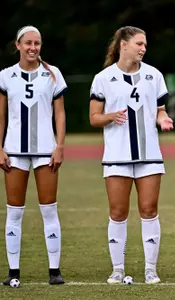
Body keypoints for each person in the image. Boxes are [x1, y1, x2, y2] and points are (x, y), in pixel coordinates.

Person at [89, 26, 174, 285]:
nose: (143, 48)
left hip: (149, 154)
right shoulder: (103, 78)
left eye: (145, 44)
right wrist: (110, 117)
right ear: (123, 45)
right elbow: (94, 118)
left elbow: (159, 109)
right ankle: (117, 269)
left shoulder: (154, 75)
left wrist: (164, 118)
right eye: (139, 43)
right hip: (117, 155)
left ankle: (150, 269)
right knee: (118, 212)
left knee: (149, 210)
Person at [0, 26, 67, 285]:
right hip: (15, 151)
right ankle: (13, 272)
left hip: (45, 151)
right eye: (28, 43)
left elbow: (60, 113)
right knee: (14, 212)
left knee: (49, 210)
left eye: (37, 43)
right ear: (17, 45)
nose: (33, 48)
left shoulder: (53, 74)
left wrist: (59, 145)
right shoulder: (6, 76)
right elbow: (2, 115)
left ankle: (54, 271)